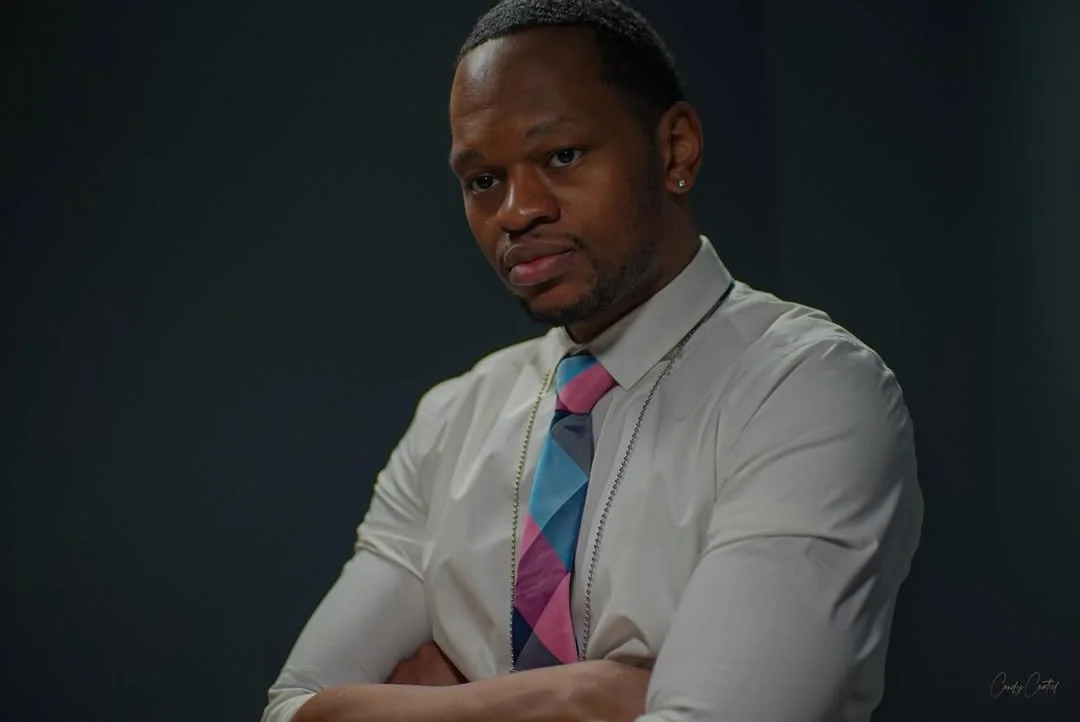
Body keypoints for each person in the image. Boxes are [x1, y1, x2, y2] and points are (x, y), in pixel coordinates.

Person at [261, 1, 924, 720]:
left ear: (676, 150)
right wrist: (576, 696)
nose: (517, 211)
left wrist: (426, 707)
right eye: (483, 180)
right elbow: (292, 710)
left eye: (562, 156)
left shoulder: (808, 389)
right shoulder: (452, 420)